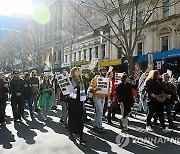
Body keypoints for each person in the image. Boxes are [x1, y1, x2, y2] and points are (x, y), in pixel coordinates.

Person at [68, 67, 87, 144]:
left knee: (80, 118)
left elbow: (89, 78)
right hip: (72, 101)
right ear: (74, 72)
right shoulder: (70, 79)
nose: (79, 72)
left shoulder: (81, 79)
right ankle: (71, 134)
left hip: (79, 101)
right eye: (77, 71)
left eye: (79, 71)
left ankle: (81, 136)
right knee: (72, 118)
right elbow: (67, 89)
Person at [89, 67, 109, 133]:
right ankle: (100, 127)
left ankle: (95, 125)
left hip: (103, 97)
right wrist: (94, 89)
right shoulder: (96, 79)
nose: (105, 72)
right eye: (103, 71)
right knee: (100, 112)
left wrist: (108, 94)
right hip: (96, 97)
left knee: (98, 112)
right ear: (100, 72)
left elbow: (108, 89)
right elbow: (90, 87)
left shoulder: (106, 80)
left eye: (105, 71)